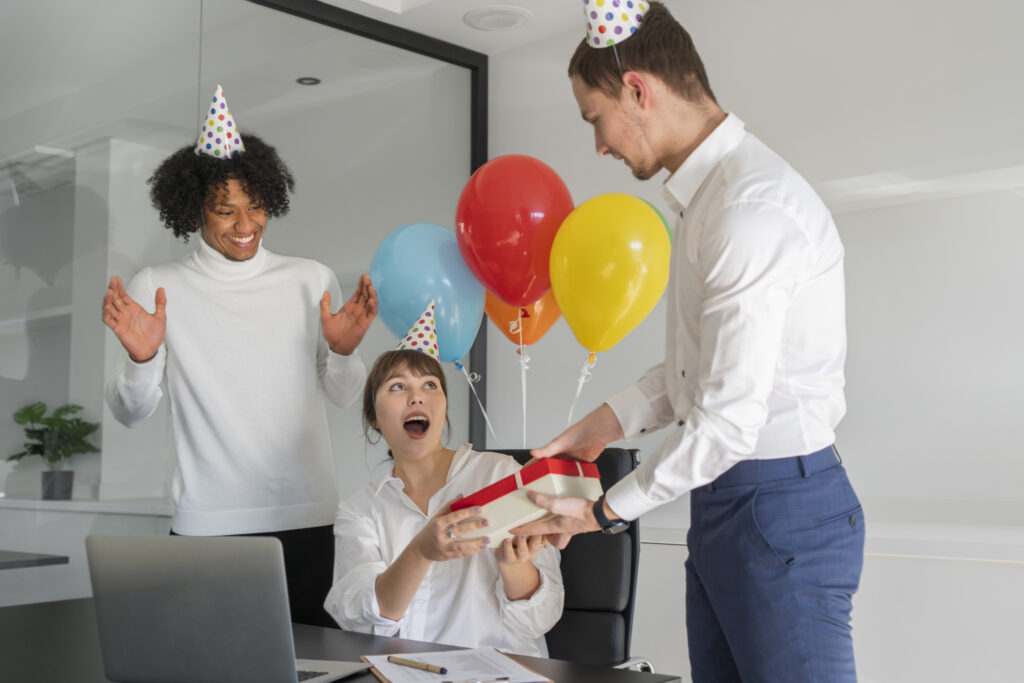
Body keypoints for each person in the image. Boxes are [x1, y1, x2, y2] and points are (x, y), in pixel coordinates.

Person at [515, 4, 865, 682]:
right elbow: (700, 372)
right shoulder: (708, 199)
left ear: (638, 91)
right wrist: (604, 424)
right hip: (730, 504)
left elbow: (728, 421)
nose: (600, 146)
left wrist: (605, 511)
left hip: (778, 507)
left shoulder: (748, 211)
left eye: (595, 119)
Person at [101, 86, 376, 627]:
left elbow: (345, 397)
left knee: (313, 664)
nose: (244, 224)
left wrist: (344, 352)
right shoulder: (158, 286)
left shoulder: (309, 278)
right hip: (208, 523)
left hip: (310, 516)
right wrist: (142, 360)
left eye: (255, 207)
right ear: (194, 211)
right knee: (210, 664)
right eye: (224, 210)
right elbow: (131, 413)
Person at [324, 340, 564, 656]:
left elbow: (540, 620)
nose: (416, 396)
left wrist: (513, 566)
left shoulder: (503, 476)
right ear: (374, 418)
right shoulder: (359, 511)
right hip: (403, 675)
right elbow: (361, 621)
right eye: (397, 387)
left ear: (444, 406)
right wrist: (421, 551)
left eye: (430, 384)